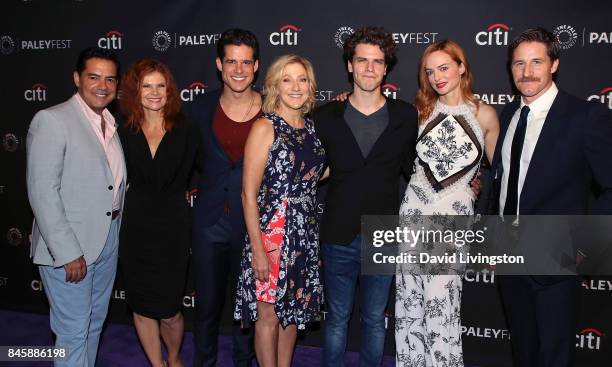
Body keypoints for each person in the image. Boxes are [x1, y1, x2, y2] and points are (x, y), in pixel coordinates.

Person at [485, 27, 612, 367]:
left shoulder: (586, 117)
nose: (526, 72)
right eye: (518, 64)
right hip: (510, 258)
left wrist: (586, 248)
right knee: (523, 352)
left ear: (554, 64)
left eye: (536, 62)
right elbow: (503, 182)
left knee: (555, 356)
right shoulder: (509, 115)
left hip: (557, 261)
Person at [313, 27, 418, 367]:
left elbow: (416, 169)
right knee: (336, 319)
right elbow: (312, 169)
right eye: (362, 61)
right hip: (337, 232)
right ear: (349, 66)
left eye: (377, 62)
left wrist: (466, 183)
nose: (370, 69)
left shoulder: (405, 115)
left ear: (386, 68)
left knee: (374, 321)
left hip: (383, 233)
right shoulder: (325, 116)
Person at [394, 40, 499, 366]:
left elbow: (499, 175)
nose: (437, 77)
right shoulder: (420, 111)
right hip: (414, 211)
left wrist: (477, 191)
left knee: (442, 302)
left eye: (444, 68)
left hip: (454, 219)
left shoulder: (484, 114)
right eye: (430, 71)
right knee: (410, 304)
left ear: (462, 67)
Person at [26, 47, 125, 367]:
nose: (103, 85)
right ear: (77, 79)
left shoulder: (109, 122)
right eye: (94, 77)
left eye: (110, 79)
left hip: (107, 238)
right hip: (71, 245)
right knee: (72, 330)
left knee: (94, 323)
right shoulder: (52, 120)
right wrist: (66, 251)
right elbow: (42, 192)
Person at [234, 53, 326, 367]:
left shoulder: (311, 128)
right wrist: (258, 249)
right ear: (275, 85)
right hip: (273, 232)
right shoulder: (264, 127)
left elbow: (312, 172)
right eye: (287, 79)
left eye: (302, 79)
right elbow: (248, 195)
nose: (295, 87)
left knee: (294, 312)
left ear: (310, 86)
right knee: (269, 315)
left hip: (305, 232)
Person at [118, 59, 199, 367]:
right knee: (140, 305)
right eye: (146, 86)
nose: (154, 93)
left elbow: (212, 170)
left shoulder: (187, 130)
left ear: (170, 91)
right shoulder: (122, 129)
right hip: (135, 226)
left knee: (169, 310)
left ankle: (175, 357)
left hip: (173, 228)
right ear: (135, 91)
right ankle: (157, 362)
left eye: (160, 86)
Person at [190, 28, 261, 367]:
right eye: (231, 61)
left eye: (245, 62)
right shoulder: (198, 109)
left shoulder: (272, 110)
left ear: (256, 66)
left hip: (252, 225)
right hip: (209, 222)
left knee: (246, 307)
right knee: (206, 307)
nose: (238, 69)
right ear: (219, 64)